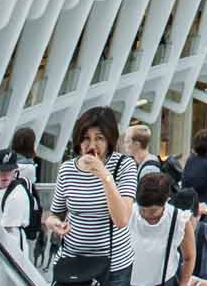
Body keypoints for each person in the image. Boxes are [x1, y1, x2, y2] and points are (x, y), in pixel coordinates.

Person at [46, 105, 141, 284]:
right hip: (72, 262)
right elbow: (54, 215)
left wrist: (103, 174)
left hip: (112, 266)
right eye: (85, 138)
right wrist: (55, 224)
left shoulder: (124, 166)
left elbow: (121, 219)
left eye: (99, 138)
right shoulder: (67, 169)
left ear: (110, 140)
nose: (91, 145)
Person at [127, 171, 202, 286]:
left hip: (165, 281)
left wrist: (183, 284)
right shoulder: (127, 214)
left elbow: (189, 257)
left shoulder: (178, 220)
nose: (147, 215)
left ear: (166, 201)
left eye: (153, 212)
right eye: (142, 210)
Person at [0, 150, 38, 257]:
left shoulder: (17, 196)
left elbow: (7, 233)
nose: (5, 175)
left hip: (13, 246)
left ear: (15, 171)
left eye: (9, 170)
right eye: (1, 170)